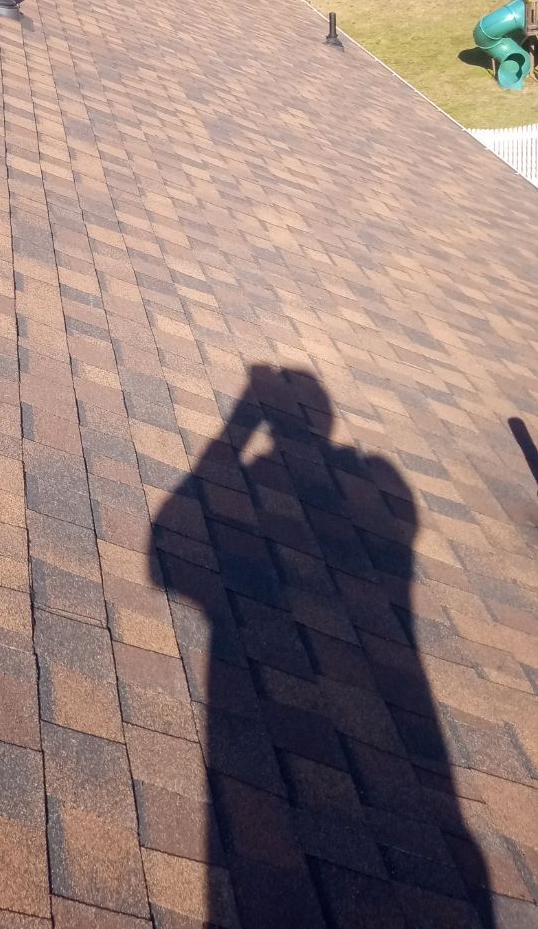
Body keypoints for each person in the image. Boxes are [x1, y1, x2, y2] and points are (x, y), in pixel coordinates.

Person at [150, 363, 495, 927]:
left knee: (252, 838)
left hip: (251, 681)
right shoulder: (383, 487)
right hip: (428, 785)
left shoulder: (355, 482)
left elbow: (170, 542)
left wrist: (241, 422)